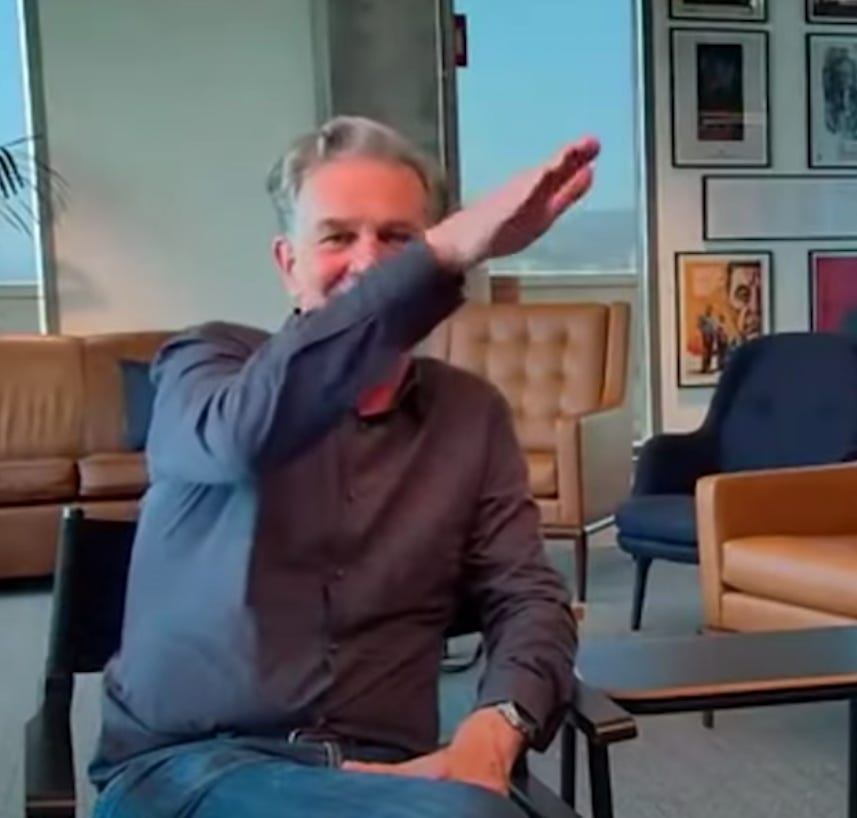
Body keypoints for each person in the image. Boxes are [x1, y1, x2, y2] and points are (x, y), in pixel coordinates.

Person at [87, 116, 600, 818]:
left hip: (387, 777)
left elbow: (528, 597)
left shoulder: (469, 415)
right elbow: (242, 438)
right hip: (189, 769)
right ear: (287, 263)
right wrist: (442, 253)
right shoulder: (204, 367)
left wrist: (494, 728)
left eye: (398, 239)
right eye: (336, 237)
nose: (369, 265)